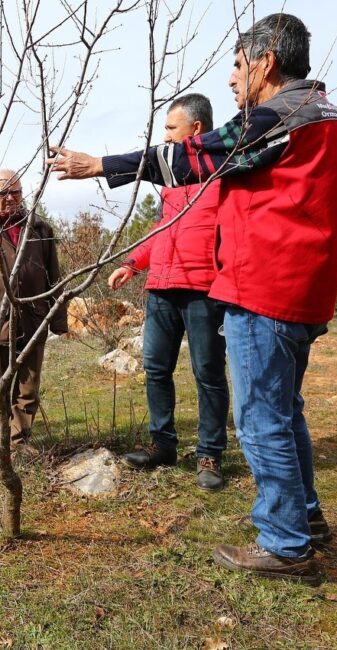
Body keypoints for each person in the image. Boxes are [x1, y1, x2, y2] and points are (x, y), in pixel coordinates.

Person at [48, 13, 337, 585]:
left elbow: (193, 157)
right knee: (285, 412)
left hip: (263, 289)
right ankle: (307, 519)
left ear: (266, 62)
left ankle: (286, 542)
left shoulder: (280, 120)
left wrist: (102, 165)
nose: (232, 80)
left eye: (239, 66)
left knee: (261, 418)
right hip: (306, 291)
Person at [107, 94, 230, 492]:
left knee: (208, 374)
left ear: (196, 130)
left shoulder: (224, 175)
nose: (165, 136)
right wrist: (133, 263)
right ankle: (163, 445)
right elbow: (163, 230)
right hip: (160, 287)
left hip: (203, 291)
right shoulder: (172, 182)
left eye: (171, 129)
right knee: (156, 369)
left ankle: (209, 453)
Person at [0, 170, 68, 450]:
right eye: (2, 193)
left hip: (34, 318)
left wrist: (58, 319)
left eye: (15, 192)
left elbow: (53, 276)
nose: (9, 198)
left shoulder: (40, 229)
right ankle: (0, 442)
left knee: (28, 388)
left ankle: (19, 442)